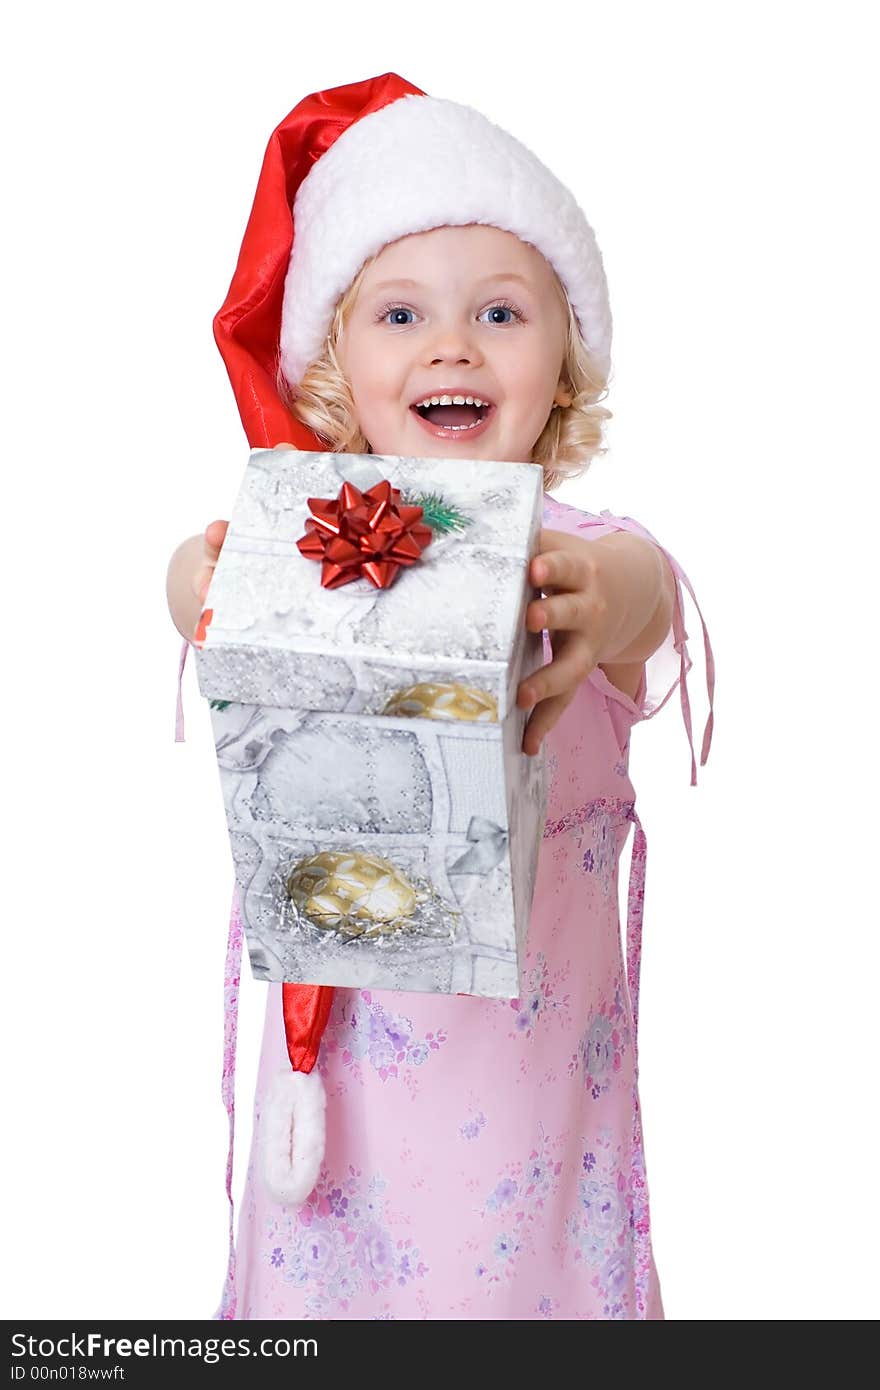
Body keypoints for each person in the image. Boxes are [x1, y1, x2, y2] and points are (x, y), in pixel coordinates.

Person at [166, 73, 715, 1321]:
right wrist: (204, 574)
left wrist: (587, 591)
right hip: (339, 1110)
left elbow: (641, 597)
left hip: (529, 1122)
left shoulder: (577, 551)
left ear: (564, 367)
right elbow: (186, 590)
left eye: (502, 313)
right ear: (333, 366)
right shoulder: (302, 560)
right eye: (400, 313)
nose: (450, 345)